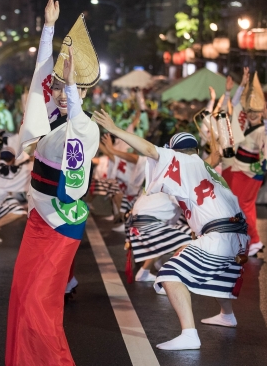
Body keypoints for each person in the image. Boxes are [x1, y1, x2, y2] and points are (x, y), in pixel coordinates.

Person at [94, 108, 249, 351]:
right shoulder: (205, 168)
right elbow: (217, 155)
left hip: (219, 236)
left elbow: (147, 150)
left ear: (175, 152)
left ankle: (189, 334)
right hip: (240, 236)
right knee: (218, 270)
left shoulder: (181, 161)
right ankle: (226, 315)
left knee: (170, 274)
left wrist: (115, 130)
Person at [6, 0, 100, 366]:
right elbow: (42, 73)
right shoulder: (54, 120)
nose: (61, 94)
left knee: (38, 304)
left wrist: (74, 91)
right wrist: (47, 28)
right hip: (37, 221)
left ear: (85, 91)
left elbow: (76, 128)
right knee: (21, 296)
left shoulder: (85, 128)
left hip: (61, 225)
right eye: (59, 88)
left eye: (71, 88)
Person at [229, 68, 267, 256]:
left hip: (250, 172)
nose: (252, 114)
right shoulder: (246, 124)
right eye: (250, 111)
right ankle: (251, 240)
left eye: (256, 111)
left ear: (262, 111)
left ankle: (253, 239)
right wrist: (242, 86)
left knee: (241, 206)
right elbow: (235, 104)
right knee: (245, 206)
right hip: (240, 168)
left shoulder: (263, 130)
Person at [125, 191, 192, 282]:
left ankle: (146, 272)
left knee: (184, 233)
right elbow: (189, 208)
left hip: (138, 225)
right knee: (188, 242)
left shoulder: (158, 185)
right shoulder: (176, 189)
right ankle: (168, 276)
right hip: (147, 226)